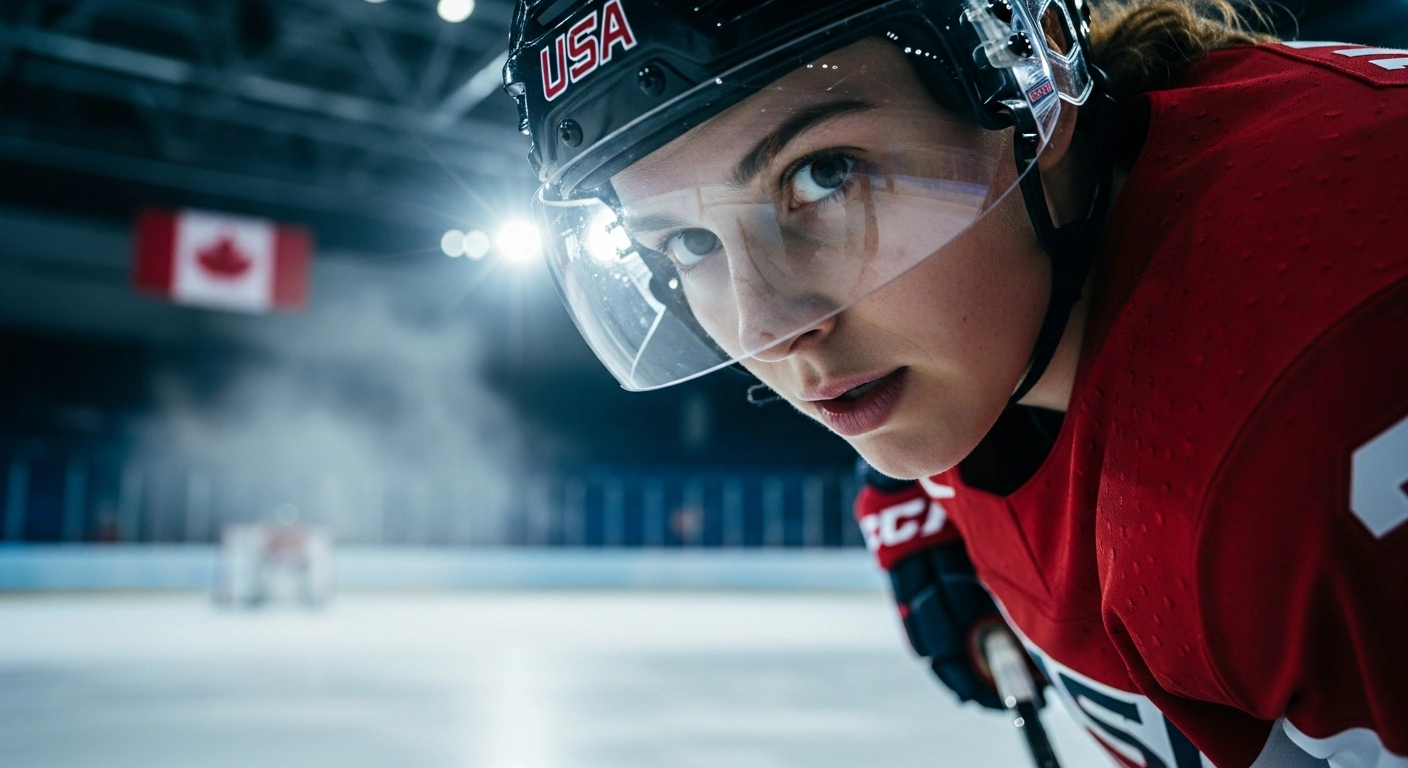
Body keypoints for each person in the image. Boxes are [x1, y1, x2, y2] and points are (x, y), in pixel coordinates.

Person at [501, 1, 1408, 766]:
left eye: (823, 175)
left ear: (1027, 85)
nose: (768, 329)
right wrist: (926, 491)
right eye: (688, 245)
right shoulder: (976, 342)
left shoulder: (1334, 401)